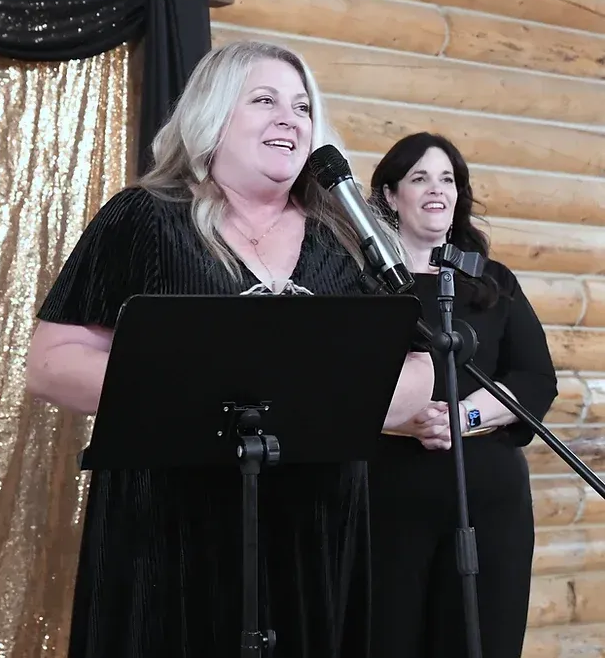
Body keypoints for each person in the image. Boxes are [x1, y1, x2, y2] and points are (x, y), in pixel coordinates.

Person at [25, 40, 435, 658]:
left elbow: (417, 368)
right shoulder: (143, 218)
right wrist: (200, 395)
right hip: (169, 531)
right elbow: (51, 362)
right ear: (212, 115)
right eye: (265, 101)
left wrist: (324, 405)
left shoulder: (348, 237)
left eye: (302, 107)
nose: (289, 119)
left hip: (312, 531)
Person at [367, 132, 558, 658]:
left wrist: (463, 416)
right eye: (420, 178)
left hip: (489, 504)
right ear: (390, 197)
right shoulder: (361, 286)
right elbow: (337, 382)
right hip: (387, 503)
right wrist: (402, 419)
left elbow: (535, 378)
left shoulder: (492, 282)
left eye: (447, 179)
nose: (437, 189)